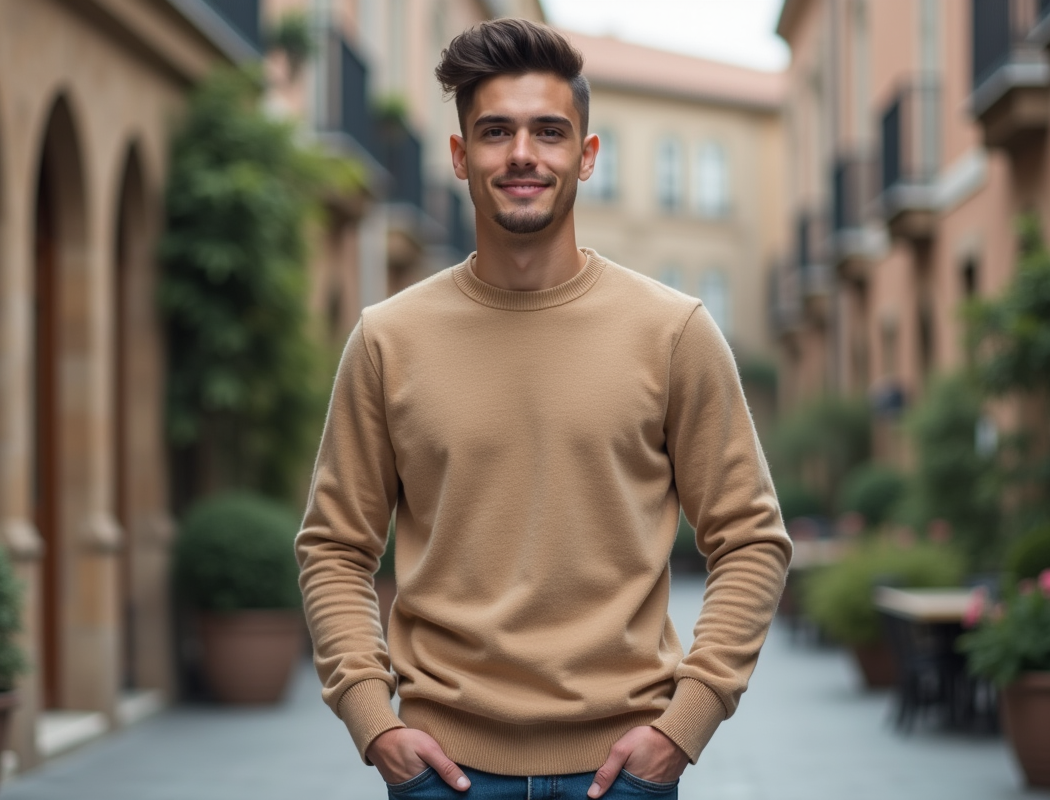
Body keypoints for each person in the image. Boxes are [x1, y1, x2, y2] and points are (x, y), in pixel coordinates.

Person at [295, 18, 792, 799]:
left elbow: (753, 539)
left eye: (548, 132)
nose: (522, 153)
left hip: (624, 774)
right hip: (443, 775)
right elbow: (333, 546)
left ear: (586, 156)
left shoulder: (673, 332)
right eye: (495, 131)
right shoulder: (388, 339)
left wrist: (685, 724)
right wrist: (372, 721)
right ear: (460, 156)